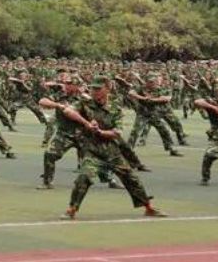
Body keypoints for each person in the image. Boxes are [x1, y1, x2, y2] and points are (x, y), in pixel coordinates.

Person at [58, 76, 167, 220]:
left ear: (107, 89)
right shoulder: (85, 102)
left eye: (98, 88)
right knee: (84, 177)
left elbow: (117, 132)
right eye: (92, 88)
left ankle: (148, 207)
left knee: (132, 178)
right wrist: (87, 123)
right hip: (92, 150)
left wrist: (100, 132)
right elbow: (68, 111)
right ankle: (71, 209)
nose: (94, 91)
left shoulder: (115, 106)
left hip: (112, 151)